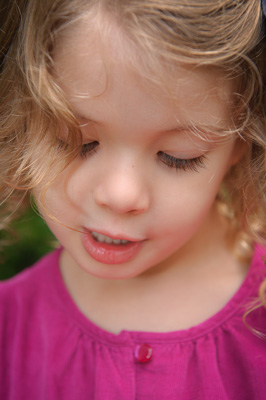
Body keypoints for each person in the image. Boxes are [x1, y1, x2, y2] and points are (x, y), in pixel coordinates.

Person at [0, 0, 265, 398]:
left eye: (178, 157)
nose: (120, 196)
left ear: (241, 141)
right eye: (75, 142)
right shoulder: (9, 327)